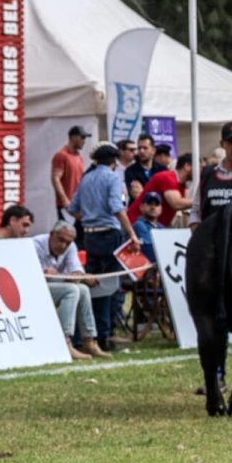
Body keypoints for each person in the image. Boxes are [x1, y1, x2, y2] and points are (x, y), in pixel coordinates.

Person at [66, 142, 140, 354]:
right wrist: (132, 234)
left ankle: (88, 334)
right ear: (114, 161)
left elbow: (73, 208)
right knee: (109, 285)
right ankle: (104, 335)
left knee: (93, 284)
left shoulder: (86, 178)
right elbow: (117, 208)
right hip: (109, 234)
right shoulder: (112, 178)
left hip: (89, 236)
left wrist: (90, 218)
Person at [35, 222, 103, 361]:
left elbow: (75, 268)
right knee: (71, 290)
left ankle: (89, 341)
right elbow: (29, 275)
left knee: (83, 289)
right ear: (52, 234)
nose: (63, 246)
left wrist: (80, 276)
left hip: (53, 284)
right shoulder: (35, 245)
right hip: (35, 286)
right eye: (60, 240)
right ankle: (65, 342)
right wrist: (42, 272)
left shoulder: (70, 246)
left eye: (68, 242)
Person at [131, 152, 195, 225]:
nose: (200, 172)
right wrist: (199, 201)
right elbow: (176, 203)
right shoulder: (168, 178)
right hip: (137, 226)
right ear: (187, 166)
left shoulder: (180, 185)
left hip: (153, 227)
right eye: (198, 167)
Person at [50, 125, 89, 219]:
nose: (84, 141)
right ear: (73, 137)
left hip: (78, 204)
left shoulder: (79, 157)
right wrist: (64, 200)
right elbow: (55, 178)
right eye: (82, 137)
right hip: (67, 205)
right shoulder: (61, 155)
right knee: (68, 232)